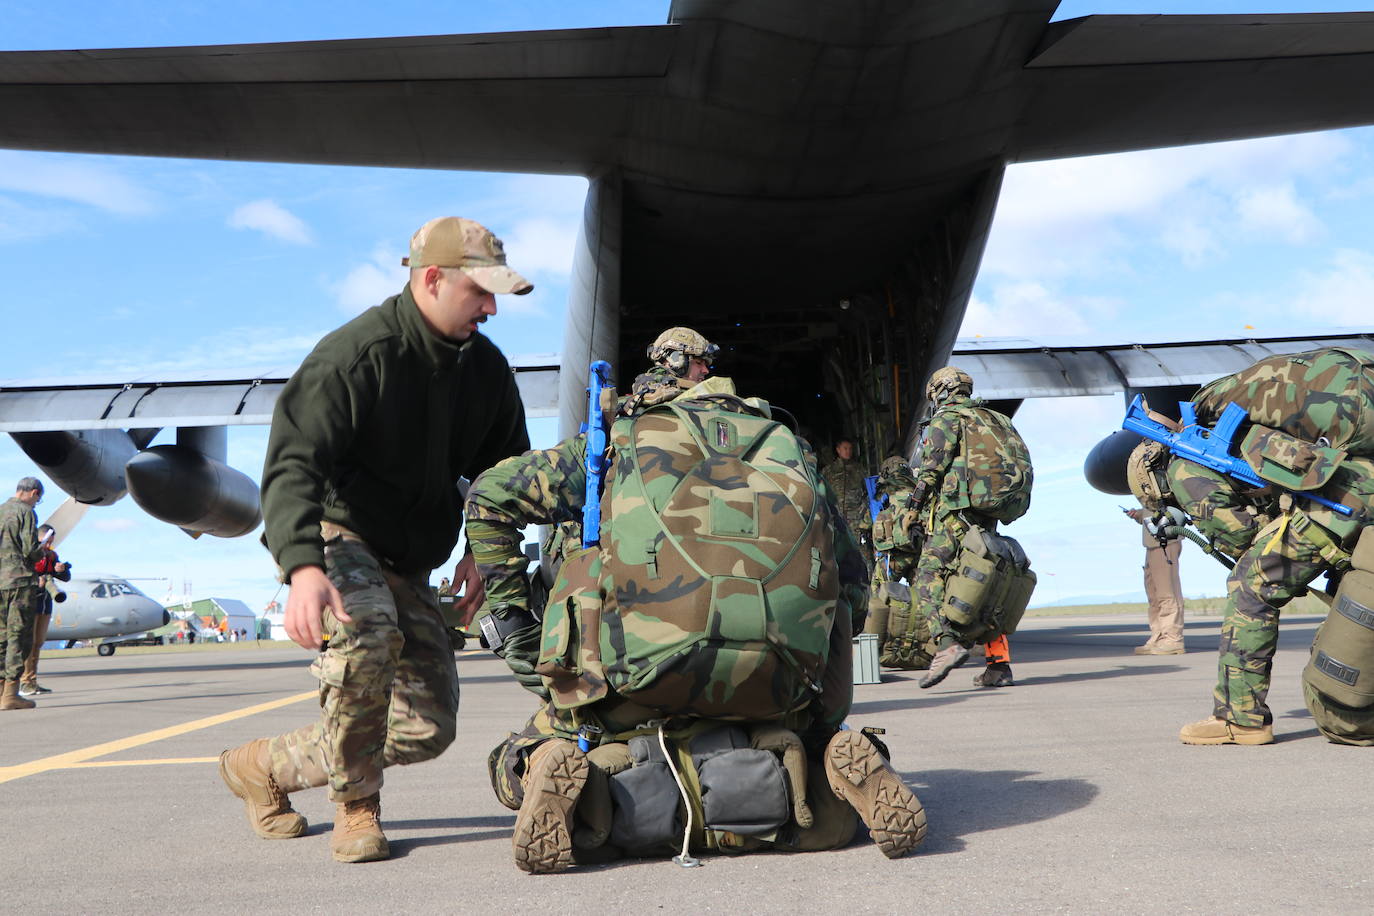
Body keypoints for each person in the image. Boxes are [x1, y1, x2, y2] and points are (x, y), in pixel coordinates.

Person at [465, 330, 926, 874]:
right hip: (776, 685)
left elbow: (489, 496)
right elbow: (851, 576)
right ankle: (827, 756)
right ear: (708, 372)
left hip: (630, 682)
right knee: (812, 737)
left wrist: (515, 622)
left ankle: (559, 763)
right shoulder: (785, 450)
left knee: (521, 752)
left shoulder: (615, 443)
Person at [218, 216, 534, 862]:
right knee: (366, 633)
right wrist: (302, 566)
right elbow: (291, 462)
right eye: (481, 291)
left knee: (429, 726)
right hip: (344, 534)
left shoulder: (488, 373)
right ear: (433, 278)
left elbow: (509, 471)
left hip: (413, 556)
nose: (493, 308)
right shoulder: (357, 357)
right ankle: (356, 806)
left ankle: (266, 768)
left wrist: (483, 549)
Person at [1126, 348, 1374, 746]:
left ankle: (1239, 718)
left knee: (1251, 587)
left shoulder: (1184, 465)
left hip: (1340, 502)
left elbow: (1240, 539)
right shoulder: (1245, 422)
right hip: (1359, 486)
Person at [912, 368, 1035, 690]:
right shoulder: (996, 420)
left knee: (927, 575)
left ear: (940, 391)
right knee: (985, 582)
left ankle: (945, 644)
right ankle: (999, 667)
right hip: (988, 512)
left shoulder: (947, 418)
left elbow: (931, 470)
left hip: (955, 513)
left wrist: (913, 508)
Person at [866, 456, 933, 669]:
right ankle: (927, 649)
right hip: (919, 551)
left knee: (877, 599)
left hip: (892, 555)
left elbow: (869, 516)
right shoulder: (919, 489)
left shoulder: (884, 486)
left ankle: (872, 652)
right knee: (926, 599)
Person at [0, 477, 46, 711]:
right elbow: (30, 549)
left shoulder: (1, 510)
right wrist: (43, 552)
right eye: (38, 499)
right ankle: (10, 694)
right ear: (33, 493)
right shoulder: (26, 513)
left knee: (1, 638)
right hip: (18, 582)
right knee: (19, 637)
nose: (36, 503)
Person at [1124, 503, 1186, 655]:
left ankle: (1173, 639)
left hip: (1165, 541)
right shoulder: (1148, 492)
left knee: (1167, 592)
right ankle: (1158, 637)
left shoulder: (1163, 482)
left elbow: (1169, 505)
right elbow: (1153, 510)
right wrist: (1139, 514)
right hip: (1153, 541)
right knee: (1154, 594)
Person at [19, 524, 71, 696]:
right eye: (48, 540)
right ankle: (24, 682)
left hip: (46, 603)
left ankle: (32, 680)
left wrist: (61, 570)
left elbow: (65, 577)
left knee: (38, 643)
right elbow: (18, 573)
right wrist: (36, 581)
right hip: (30, 602)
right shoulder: (29, 552)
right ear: (40, 538)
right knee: (29, 643)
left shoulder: (51, 555)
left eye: (52, 541)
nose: (50, 544)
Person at [822, 437, 874, 568]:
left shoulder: (859, 470)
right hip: (836, 518)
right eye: (845, 448)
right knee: (837, 551)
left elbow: (868, 491)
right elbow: (822, 493)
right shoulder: (828, 471)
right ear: (838, 450)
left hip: (857, 518)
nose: (848, 451)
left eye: (850, 449)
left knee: (862, 551)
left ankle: (867, 580)